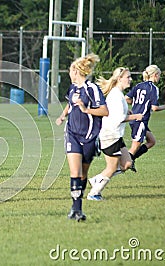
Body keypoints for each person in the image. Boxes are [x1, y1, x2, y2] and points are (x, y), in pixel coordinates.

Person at [56, 53, 108, 221]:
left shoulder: (91, 88)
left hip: (90, 136)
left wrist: (86, 110)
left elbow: (104, 111)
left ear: (76, 71)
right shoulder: (72, 89)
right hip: (72, 133)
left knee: (83, 174)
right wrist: (63, 116)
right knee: (75, 171)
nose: (69, 74)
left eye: (70, 71)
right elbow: (70, 104)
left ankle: (77, 206)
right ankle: (76, 210)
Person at [87, 67, 144, 201]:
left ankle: (98, 179)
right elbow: (118, 118)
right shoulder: (117, 96)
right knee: (112, 168)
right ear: (120, 79)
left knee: (127, 163)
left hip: (116, 135)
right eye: (128, 77)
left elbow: (117, 113)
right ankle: (93, 193)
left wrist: (128, 112)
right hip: (109, 136)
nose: (130, 79)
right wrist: (135, 116)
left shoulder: (117, 94)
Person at [125, 65, 165, 172]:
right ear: (155, 75)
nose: (159, 78)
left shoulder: (139, 85)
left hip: (135, 118)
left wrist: (136, 104)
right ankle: (122, 164)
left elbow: (126, 98)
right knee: (135, 146)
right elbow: (154, 108)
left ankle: (131, 160)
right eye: (159, 75)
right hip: (140, 120)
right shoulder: (153, 89)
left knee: (151, 141)